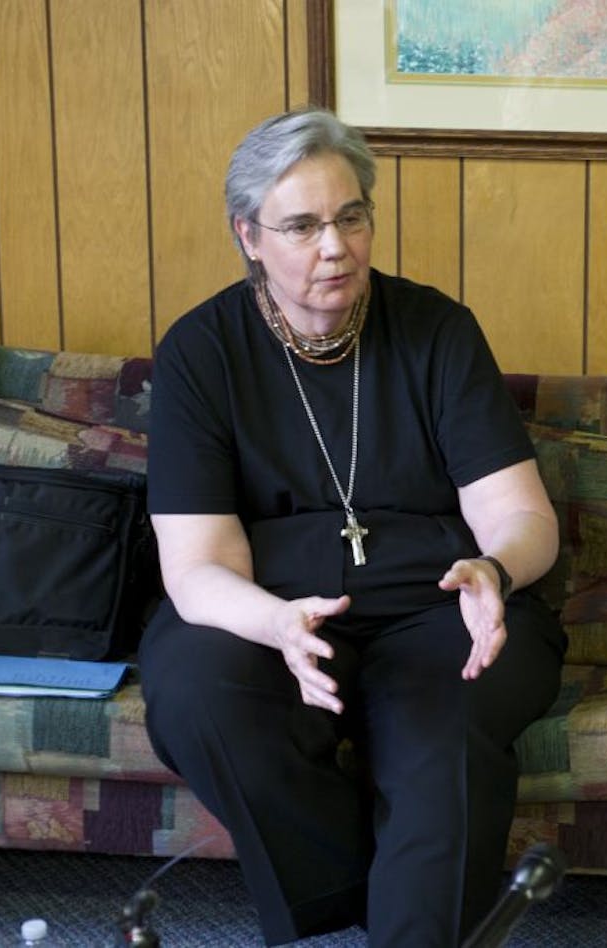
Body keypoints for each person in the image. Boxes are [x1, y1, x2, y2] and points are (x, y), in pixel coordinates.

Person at [138, 107, 566, 946]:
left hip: (437, 603)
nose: (334, 246)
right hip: (268, 605)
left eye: (351, 217)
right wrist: (277, 624)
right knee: (195, 694)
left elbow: (521, 516)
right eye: (301, 225)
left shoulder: (436, 328)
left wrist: (497, 572)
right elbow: (195, 566)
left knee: (448, 732)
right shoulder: (201, 352)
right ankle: (348, 895)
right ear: (249, 236)